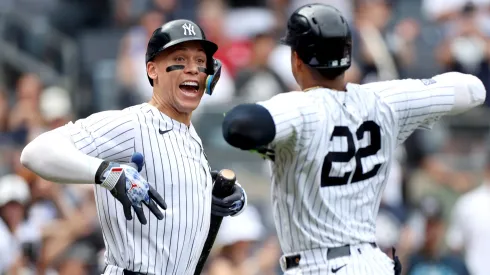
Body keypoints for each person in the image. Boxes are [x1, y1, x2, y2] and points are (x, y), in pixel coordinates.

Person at [221, 4, 486, 275]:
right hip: (373, 263)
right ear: (348, 55)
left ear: (296, 59)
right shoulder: (385, 99)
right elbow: (473, 89)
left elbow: (238, 125)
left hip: (318, 266)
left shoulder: (300, 108)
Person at [20, 19, 247, 275]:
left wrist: (217, 195)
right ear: (153, 70)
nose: (192, 69)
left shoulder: (190, 136)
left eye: (200, 61)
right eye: (180, 60)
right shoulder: (134, 123)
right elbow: (35, 152)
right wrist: (107, 173)